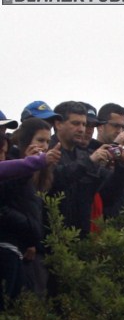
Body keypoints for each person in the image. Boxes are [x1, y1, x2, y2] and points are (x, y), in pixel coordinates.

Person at [0, 119, 59, 303]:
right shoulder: (15, 165)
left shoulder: (40, 171)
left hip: (24, 246)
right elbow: (6, 203)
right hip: (10, 245)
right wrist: (30, 164)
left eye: (48, 141)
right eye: (40, 140)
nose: (45, 146)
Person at [48, 101, 112, 237]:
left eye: (84, 124)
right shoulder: (46, 150)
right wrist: (89, 162)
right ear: (58, 124)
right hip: (51, 234)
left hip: (81, 236)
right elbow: (56, 179)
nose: (82, 129)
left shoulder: (85, 155)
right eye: (76, 123)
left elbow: (109, 191)